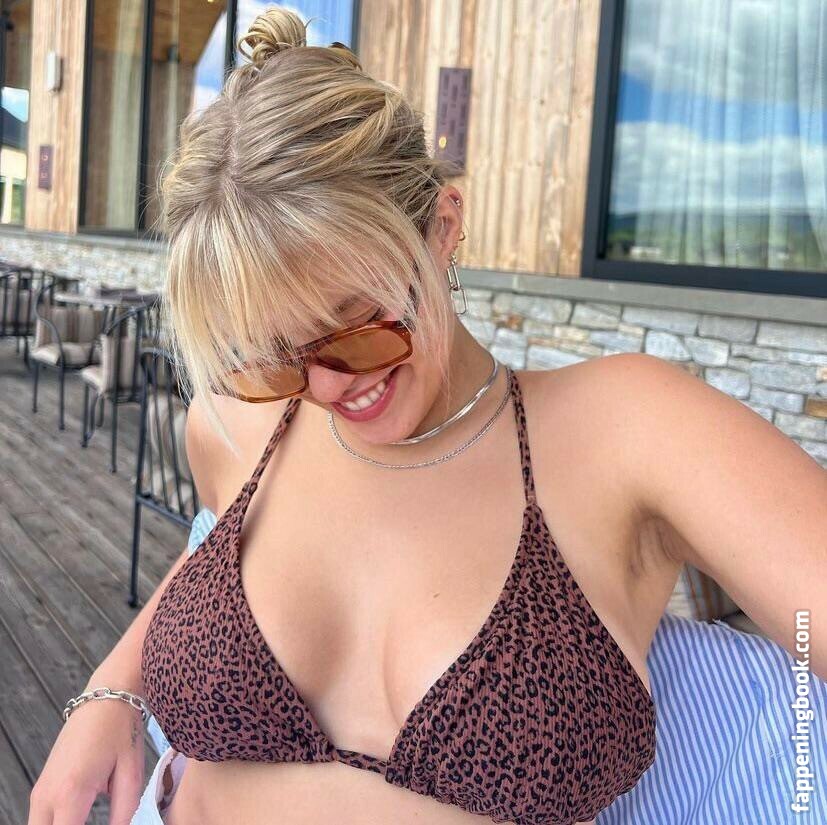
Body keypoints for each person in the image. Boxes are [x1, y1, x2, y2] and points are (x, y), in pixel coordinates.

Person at [28, 7, 826, 825]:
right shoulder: (239, 426)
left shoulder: (625, 431)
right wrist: (114, 688)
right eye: (275, 354)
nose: (324, 386)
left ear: (442, 228)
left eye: (356, 325)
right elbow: (218, 551)